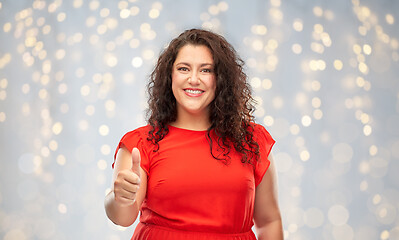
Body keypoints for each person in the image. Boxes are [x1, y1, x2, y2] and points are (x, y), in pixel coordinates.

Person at [104, 28, 283, 240]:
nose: (194, 79)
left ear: (221, 78)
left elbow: (270, 221)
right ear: (170, 75)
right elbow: (123, 217)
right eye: (183, 69)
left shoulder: (251, 140)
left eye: (206, 70)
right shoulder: (141, 143)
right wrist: (120, 199)